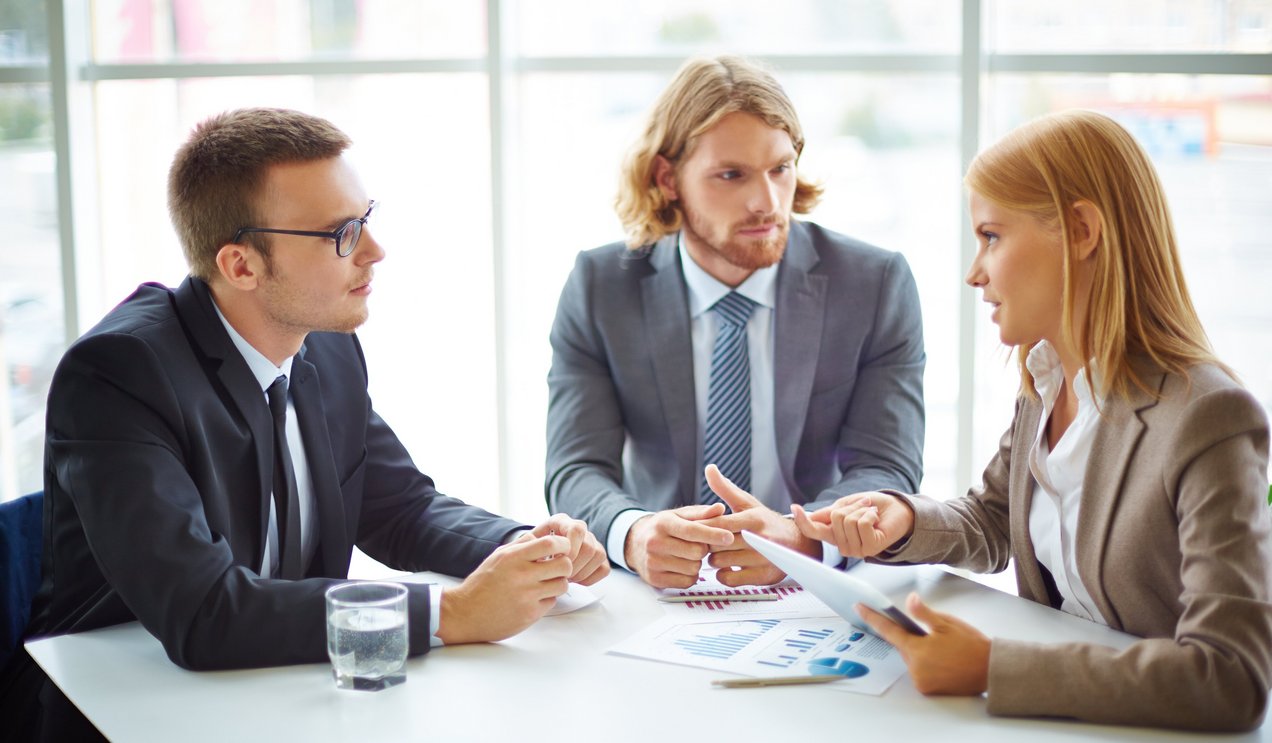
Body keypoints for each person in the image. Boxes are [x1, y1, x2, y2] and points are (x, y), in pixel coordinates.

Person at [0, 107, 608, 741]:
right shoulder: (120, 374)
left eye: (365, 219)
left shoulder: (325, 344)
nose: (373, 250)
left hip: (283, 692)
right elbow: (203, 613)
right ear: (241, 266)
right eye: (341, 233)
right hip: (122, 713)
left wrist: (527, 548)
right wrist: (451, 613)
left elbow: (401, 509)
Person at [783, 109, 1272, 731]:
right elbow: (995, 521)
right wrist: (903, 519)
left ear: (1082, 231)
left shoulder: (1209, 418)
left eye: (991, 236)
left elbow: (1232, 676)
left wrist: (992, 667)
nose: (974, 272)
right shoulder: (1046, 386)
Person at [546, 55, 925, 590]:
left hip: (813, 586)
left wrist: (802, 539)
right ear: (668, 178)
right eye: (731, 175)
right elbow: (575, 467)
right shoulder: (600, 286)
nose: (766, 203)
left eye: (780, 168)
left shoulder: (873, 285)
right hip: (658, 587)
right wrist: (634, 532)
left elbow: (887, 466)